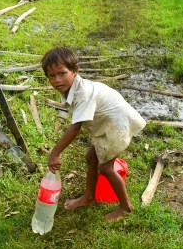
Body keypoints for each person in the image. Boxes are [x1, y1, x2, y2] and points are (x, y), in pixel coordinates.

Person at [42, 47, 146, 222]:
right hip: (105, 125)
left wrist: (55, 153)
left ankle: (125, 206)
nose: (57, 80)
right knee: (91, 158)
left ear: (75, 70)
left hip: (116, 125)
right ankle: (89, 197)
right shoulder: (70, 89)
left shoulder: (83, 93)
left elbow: (75, 127)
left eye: (62, 73)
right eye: (51, 76)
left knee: (106, 168)